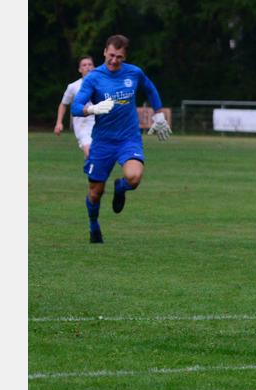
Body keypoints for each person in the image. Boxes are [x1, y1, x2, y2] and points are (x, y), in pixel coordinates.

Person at [71, 34, 171, 243]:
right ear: (104, 52)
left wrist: (159, 114)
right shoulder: (93, 78)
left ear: (125, 57)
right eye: (111, 55)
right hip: (102, 142)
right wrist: (91, 109)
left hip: (128, 139)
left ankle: (120, 187)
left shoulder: (134, 73)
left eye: (119, 57)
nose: (114, 60)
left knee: (134, 177)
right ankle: (94, 225)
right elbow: (76, 107)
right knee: (95, 192)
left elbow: (150, 88)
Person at [54, 56, 96, 158]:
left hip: (100, 124)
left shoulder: (102, 84)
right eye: (84, 65)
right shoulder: (73, 86)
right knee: (91, 154)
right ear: (80, 69)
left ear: (94, 67)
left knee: (98, 157)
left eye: (90, 64)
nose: (87, 67)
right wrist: (59, 123)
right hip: (82, 126)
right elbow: (64, 104)